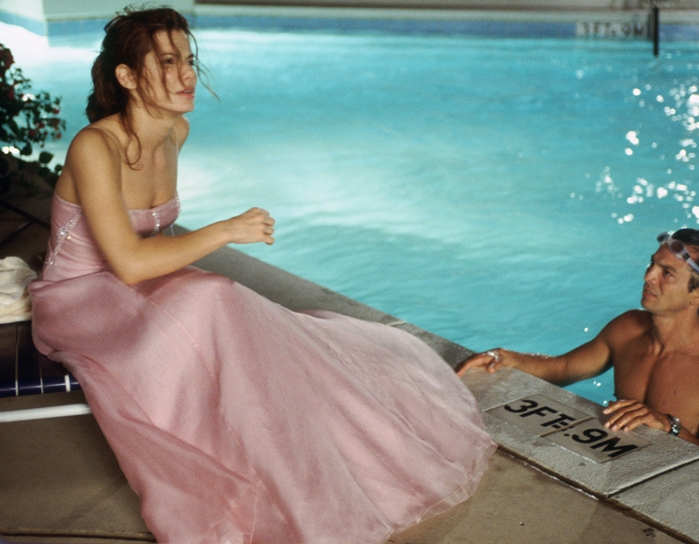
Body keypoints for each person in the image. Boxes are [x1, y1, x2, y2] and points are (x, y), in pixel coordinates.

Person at [28, 7, 495, 543]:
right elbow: (129, 261)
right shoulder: (95, 146)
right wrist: (226, 230)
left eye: (188, 60)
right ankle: (244, 475)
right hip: (78, 299)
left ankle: (293, 452)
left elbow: (152, 249)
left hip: (135, 288)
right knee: (212, 298)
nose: (186, 75)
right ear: (127, 77)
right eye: (167, 62)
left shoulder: (176, 131)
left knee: (226, 306)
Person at [458, 229, 699, 464]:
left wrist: (671, 428)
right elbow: (562, 368)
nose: (648, 276)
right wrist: (504, 357)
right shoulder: (628, 328)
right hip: (618, 462)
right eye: (652, 264)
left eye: (667, 273)